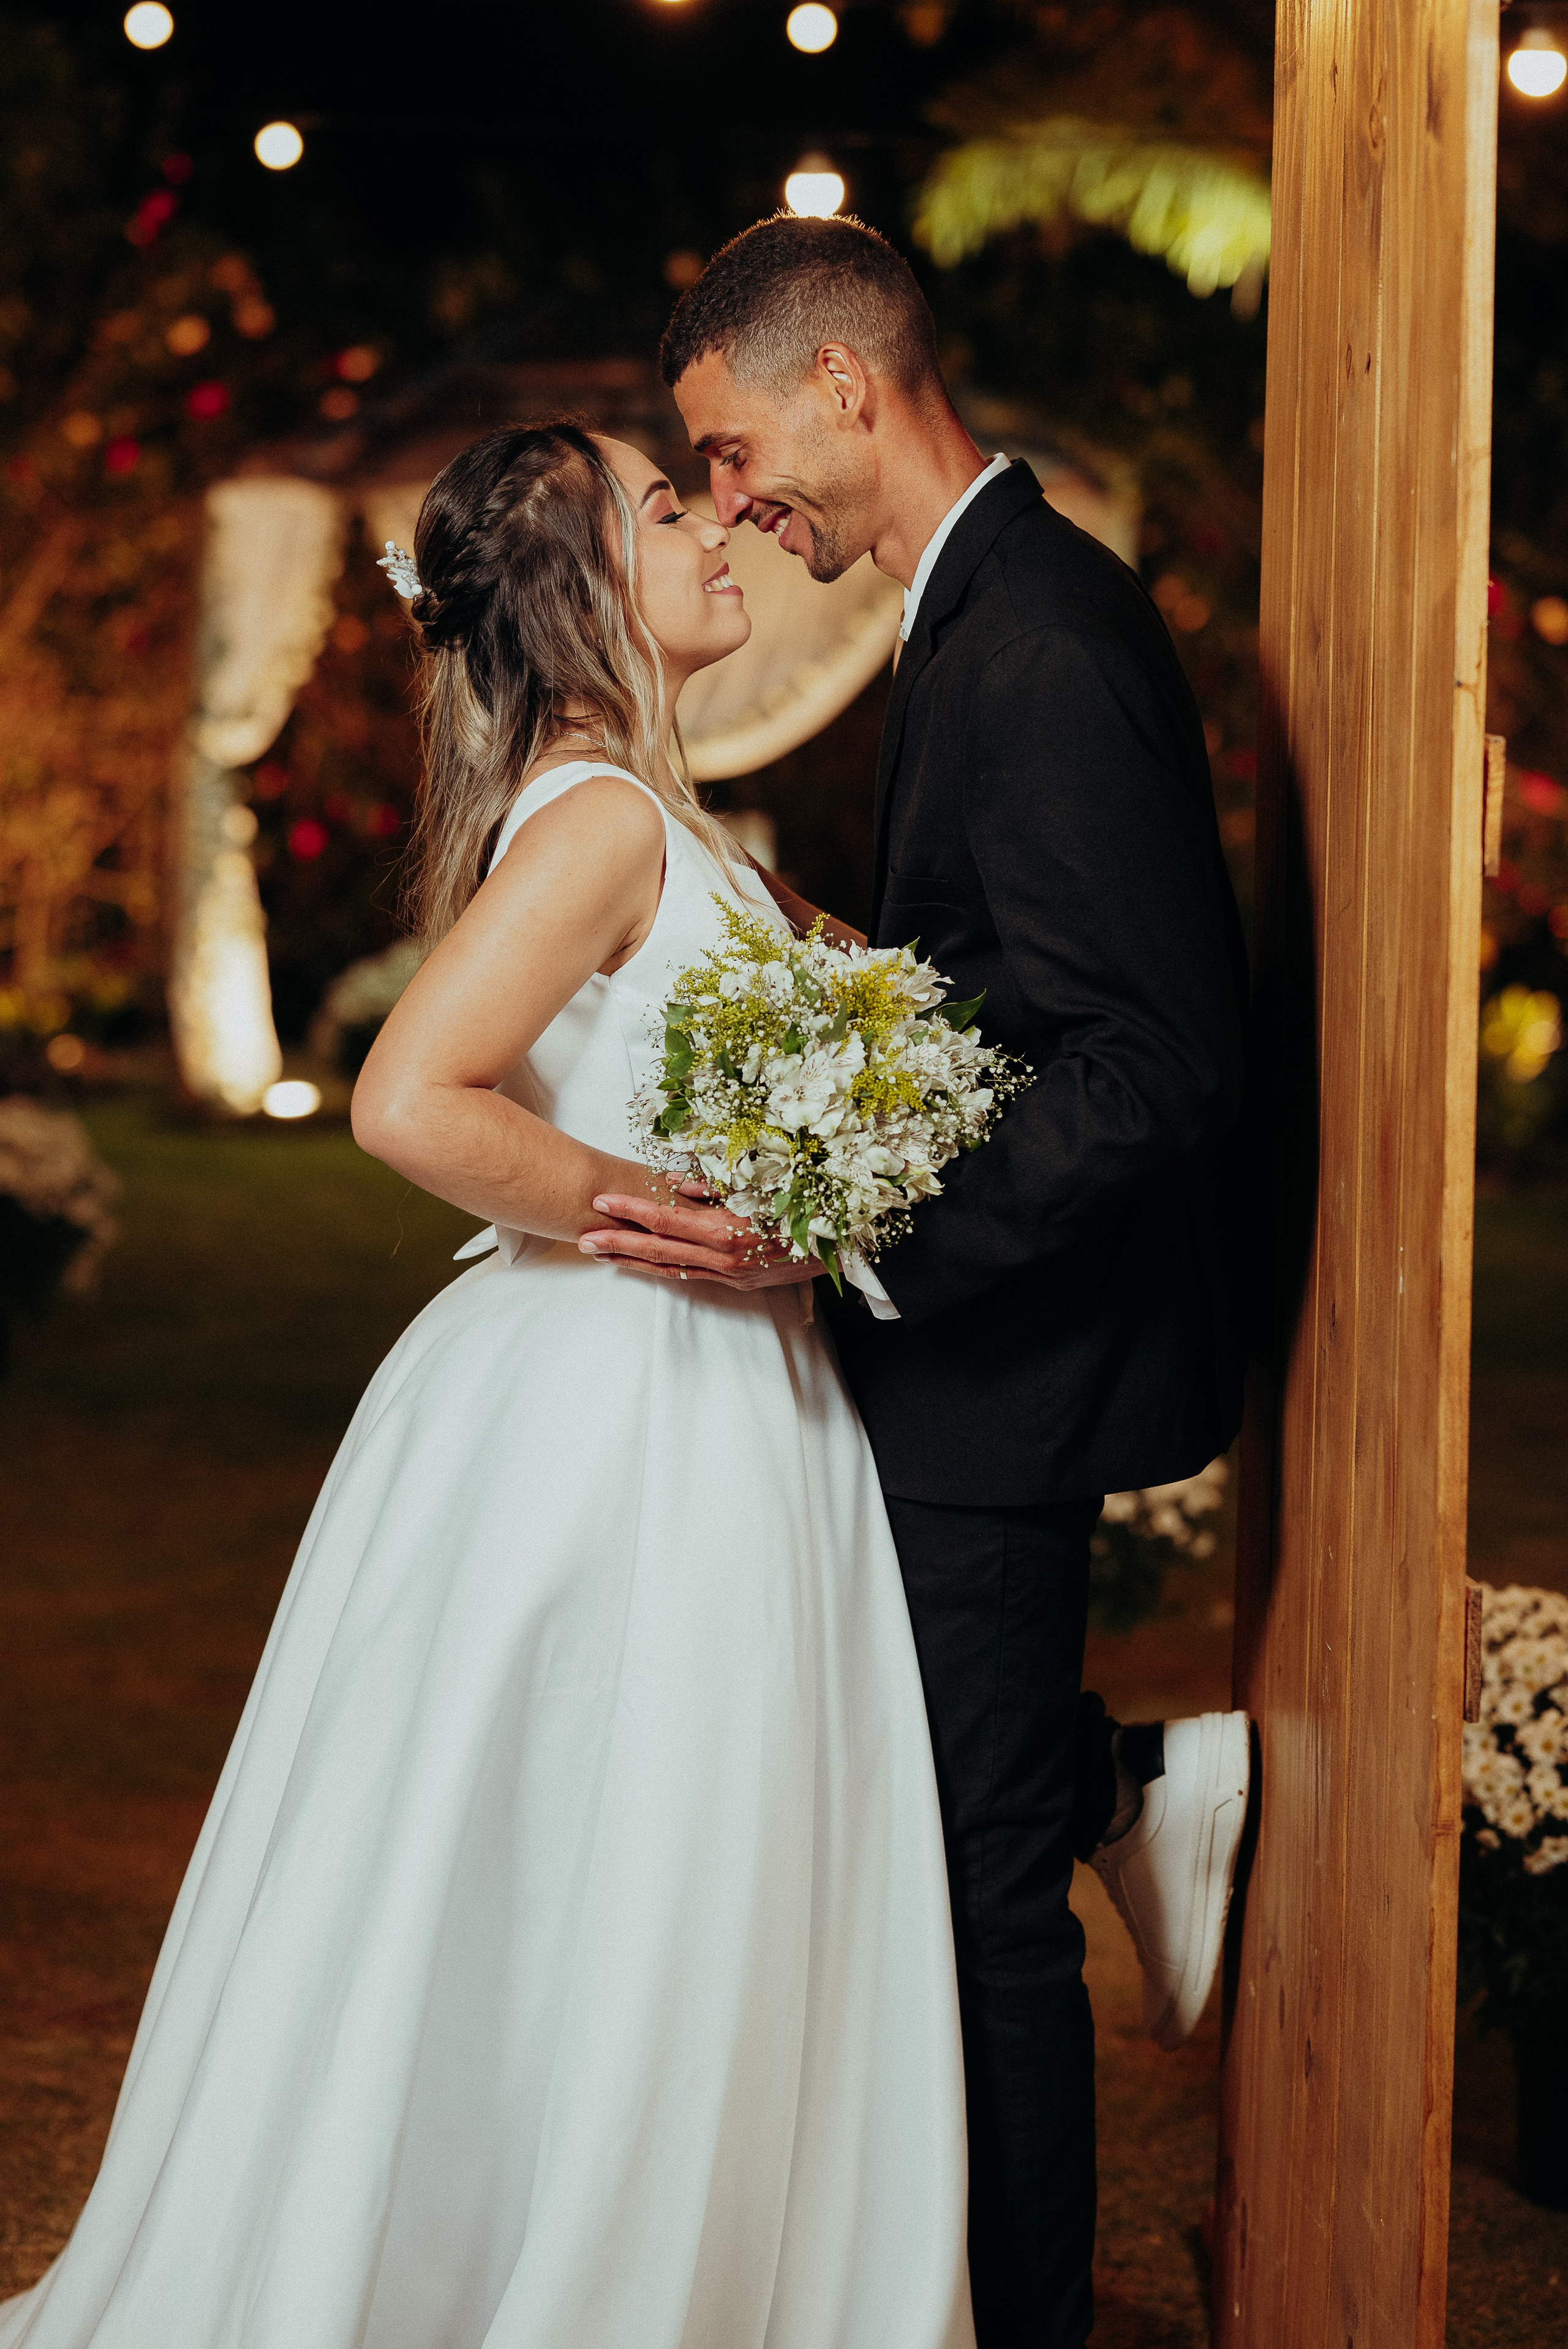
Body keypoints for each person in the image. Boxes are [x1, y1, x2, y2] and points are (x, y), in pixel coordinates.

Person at [0, 423, 976, 2349]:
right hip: (625, 1402)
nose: (715, 525)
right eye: (666, 508)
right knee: (613, 1850)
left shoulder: (655, 816)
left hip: (722, 1396)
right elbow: (406, 1097)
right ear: (586, 583)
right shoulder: (598, 818)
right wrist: (663, 1204)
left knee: (644, 1857)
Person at [580, 215, 1253, 2349]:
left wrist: (854, 1224)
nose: (730, 501)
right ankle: (1127, 1780)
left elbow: (1150, 1057)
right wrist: (841, 970)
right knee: (934, 1816)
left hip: (1008, 1373)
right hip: (974, 1359)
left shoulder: (1034, 635)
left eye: (732, 447)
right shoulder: (971, 607)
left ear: (849, 387)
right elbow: (1011, 978)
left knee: (976, 1901)